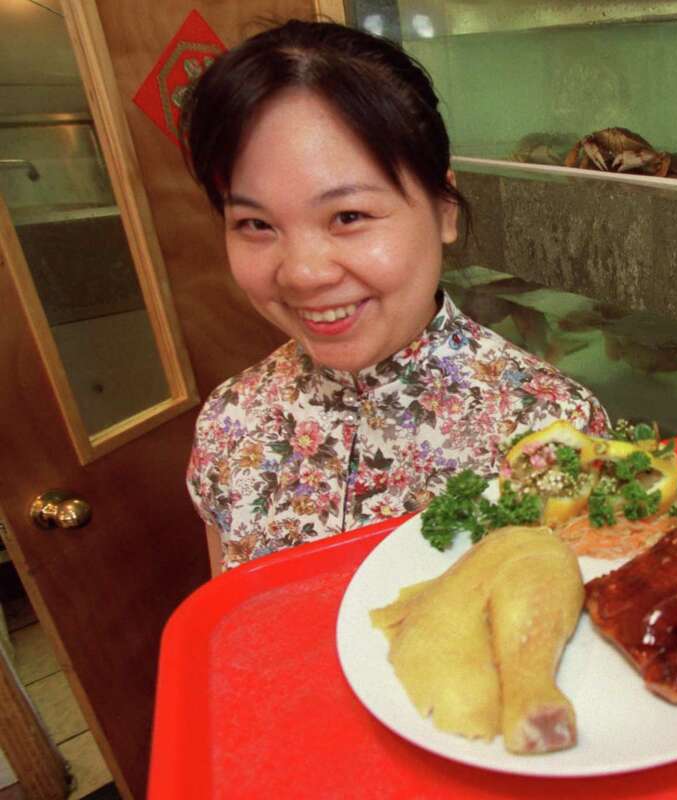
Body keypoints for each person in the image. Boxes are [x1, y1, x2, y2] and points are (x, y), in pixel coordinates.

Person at [181, 20, 608, 574]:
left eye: (349, 216)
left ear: (444, 209)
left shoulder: (553, 427)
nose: (304, 273)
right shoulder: (229, 422)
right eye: (256, 224)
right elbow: (230, 621)